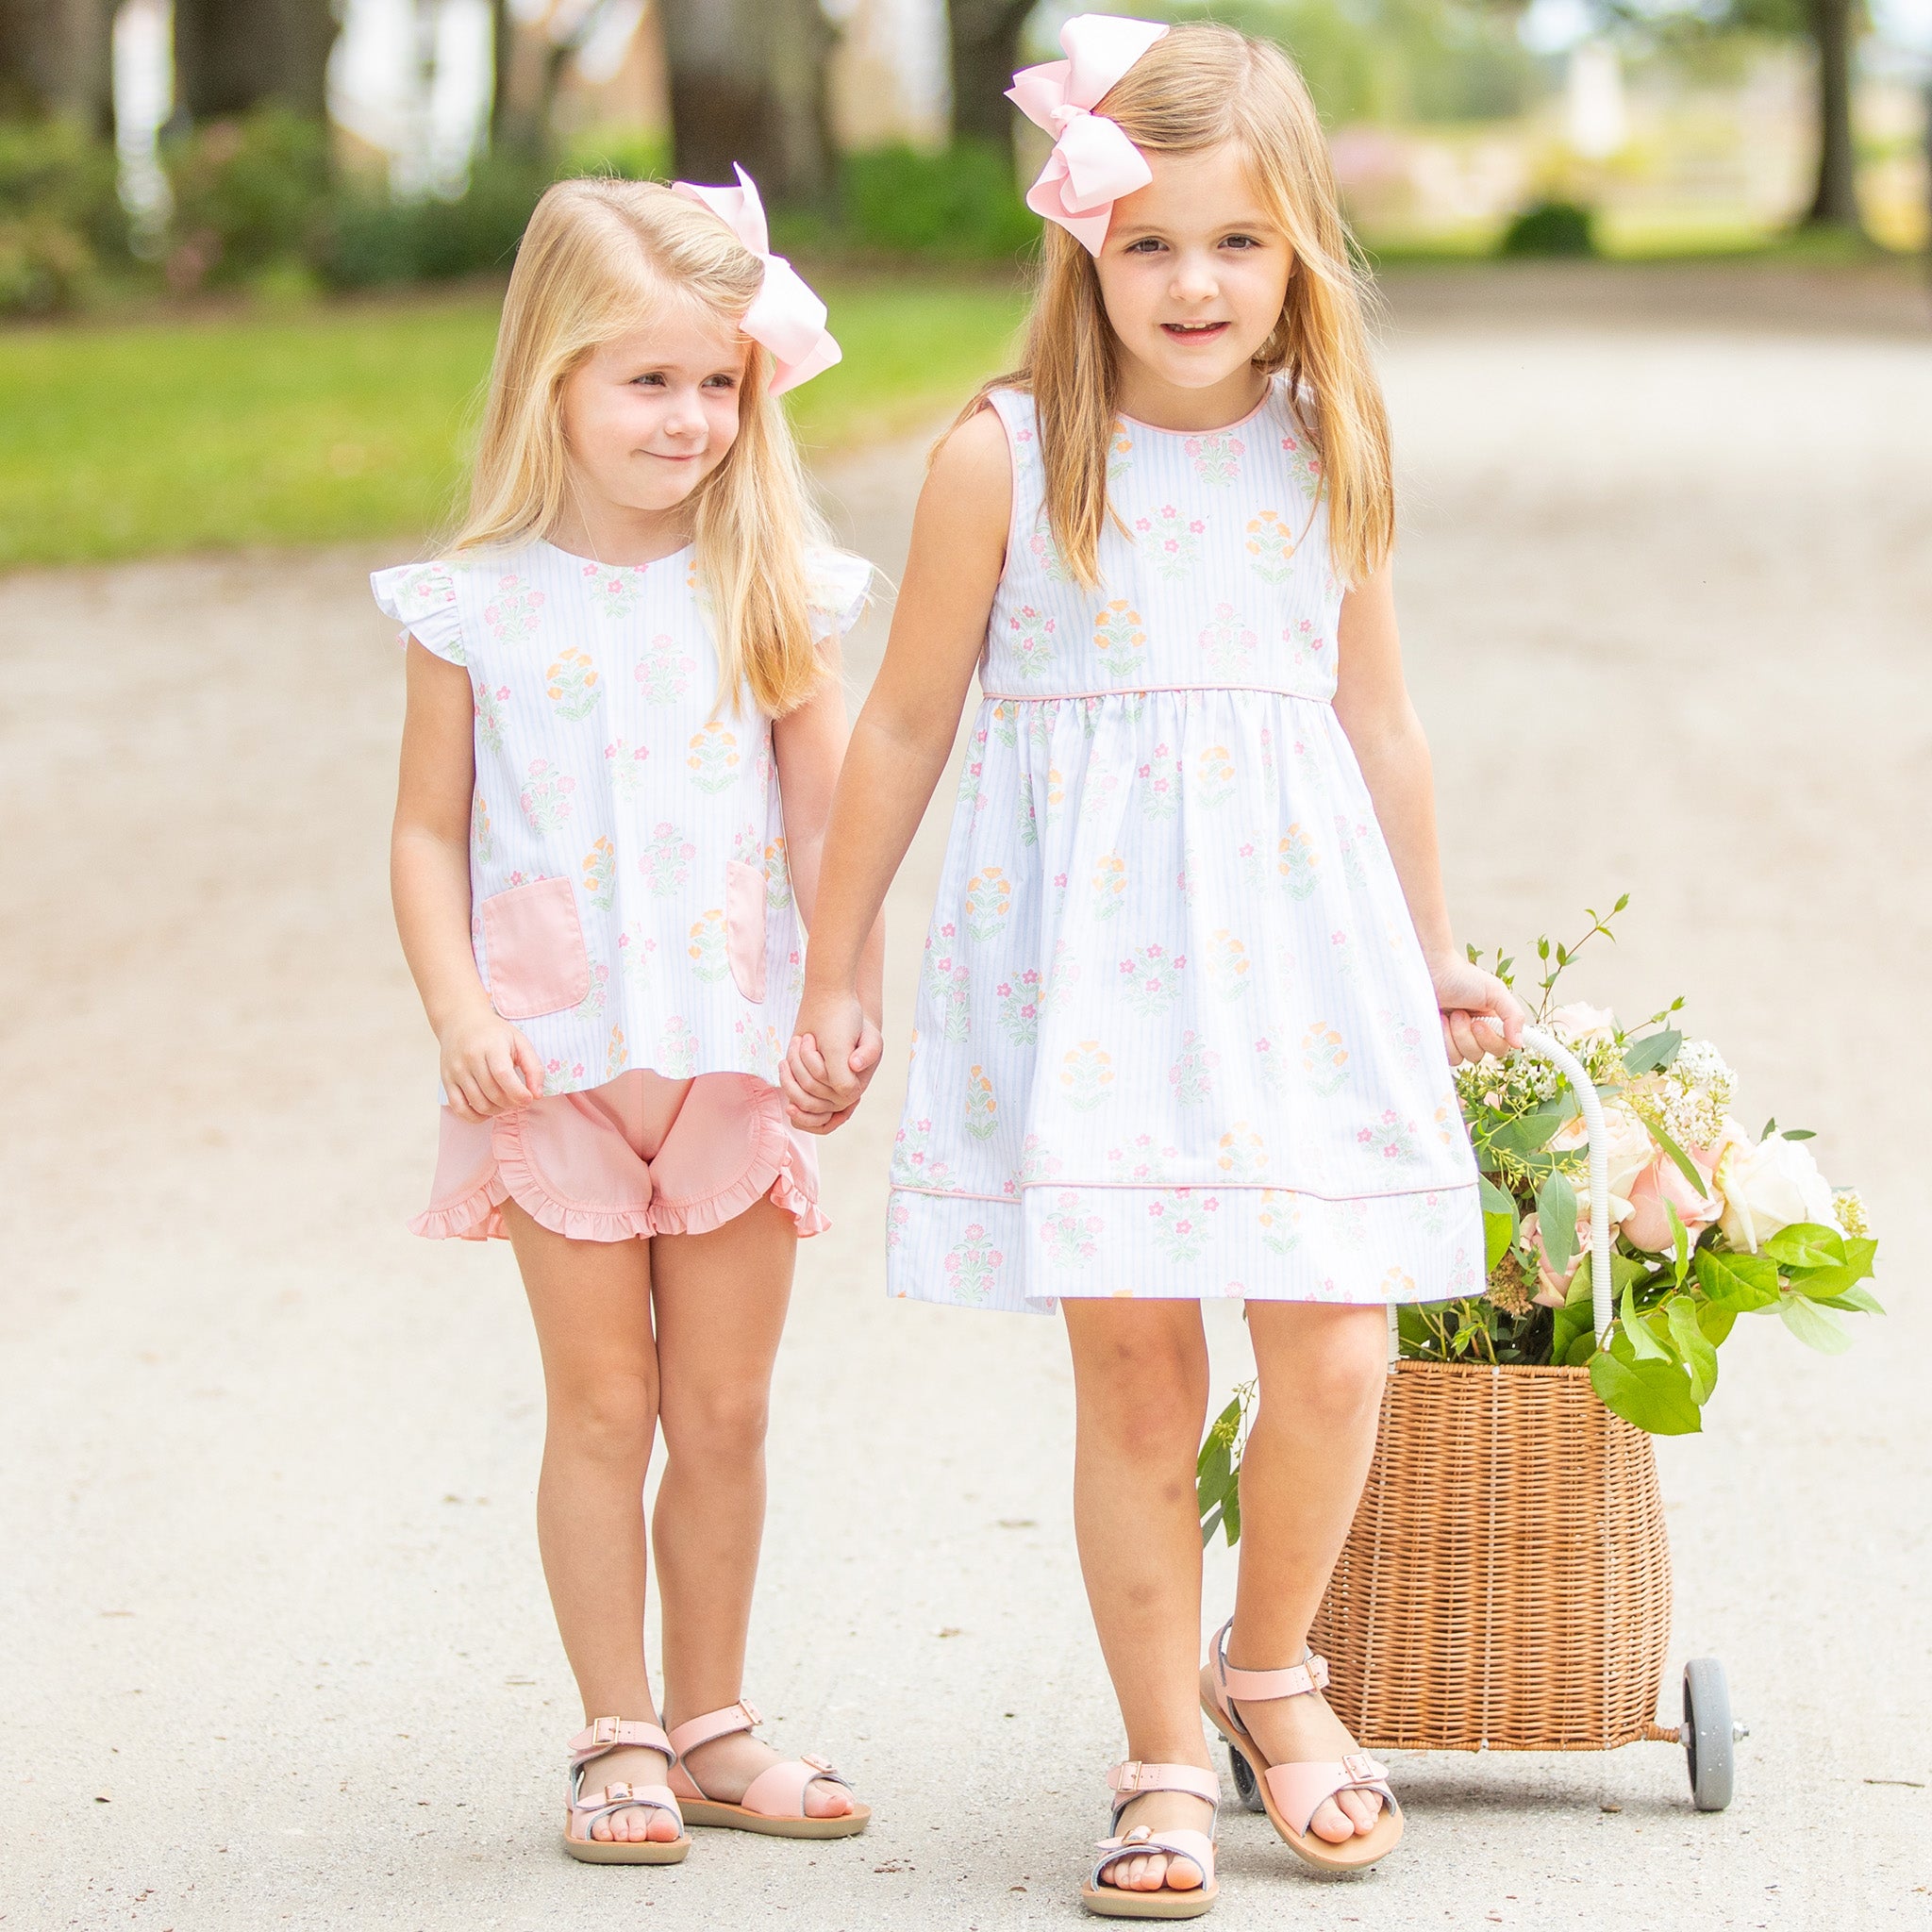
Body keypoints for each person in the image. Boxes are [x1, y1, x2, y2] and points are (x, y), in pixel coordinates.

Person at [782, 16, 1522, 1918]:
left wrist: (1432, 960)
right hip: (1090, 983)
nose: (1192, 283)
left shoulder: (1324, 444)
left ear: (1299, 256)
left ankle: (1265, 1663)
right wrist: (834, 958)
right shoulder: (1003, 460)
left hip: (1298, 963)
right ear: (1081, 250)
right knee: (1132, 1371)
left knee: (1338, 1346)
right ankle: (1161, 1752)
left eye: (1239, 243)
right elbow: (899, 728)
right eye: (1148, 243)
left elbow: (1382, 722)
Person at [378, 170, 881, 1865]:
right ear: (553, 379)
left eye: (719, 381)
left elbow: (831, 815)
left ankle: (718, 1717)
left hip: (734, 1059)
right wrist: (456, 1009)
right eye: (646, 380)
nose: (691, 417)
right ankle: (617, 1730)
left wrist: (839, 986)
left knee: (725, 1410)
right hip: (555, 1062)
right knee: (601, 1405)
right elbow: (425, 829)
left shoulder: (774, 588)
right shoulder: (474, 602)